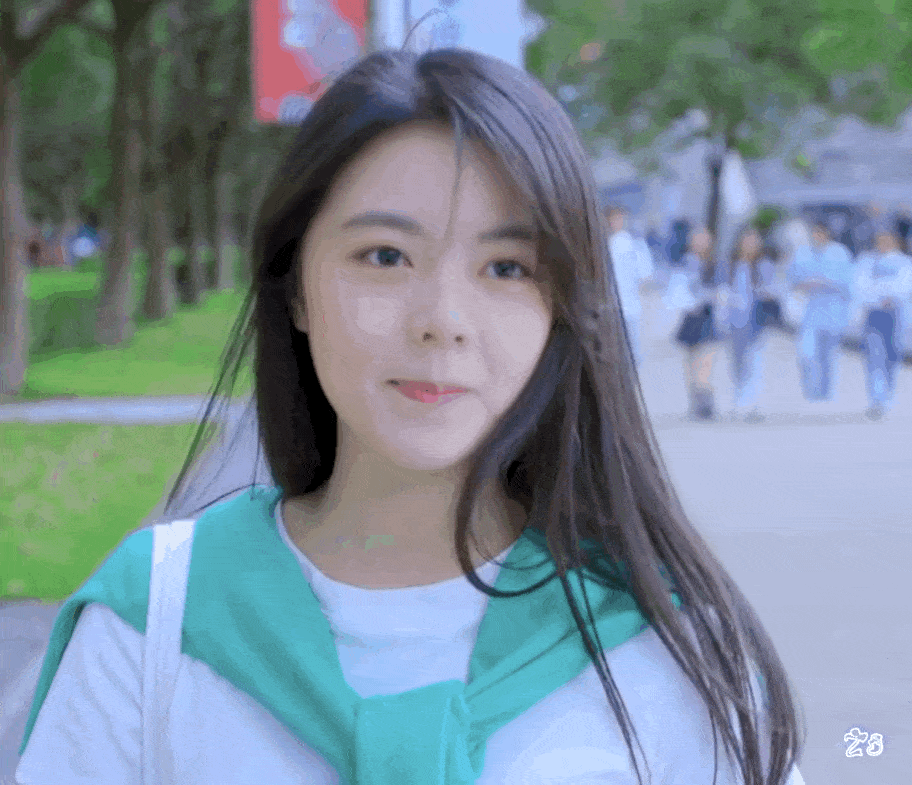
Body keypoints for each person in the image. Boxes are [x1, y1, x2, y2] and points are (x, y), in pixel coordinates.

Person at [16, 47, 806, 785]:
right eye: (385, 256)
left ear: (561, 306)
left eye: (506, 267)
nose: (442, 321)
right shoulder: (154, 620)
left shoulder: (665, 644)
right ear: (295, 288)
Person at [787, 219, 855, 402]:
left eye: (820, 233)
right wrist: (805, 283)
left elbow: (849, 282)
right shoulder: (803, 253)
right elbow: (792, 278)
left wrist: (826, 282)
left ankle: (825, 392)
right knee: (806, 353)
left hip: (833, 311)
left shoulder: (840, 253)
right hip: (810, 311)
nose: (817, 236)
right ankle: (810, 389)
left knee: (827, 355)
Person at [855, 227, 912, 420]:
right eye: (880, 240)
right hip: (873, 314)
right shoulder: (866, 260)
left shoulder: (904, 262)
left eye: (887, 240)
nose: (883, 244)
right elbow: (860, 285)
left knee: (892, 355)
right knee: (874, 356)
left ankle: (888, 392)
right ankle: (877, 399)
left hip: (895, 314)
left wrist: (888, 295)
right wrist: (877, 297)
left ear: (895, 242)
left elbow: (905, 286)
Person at [673, 227, 730, 421]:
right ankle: (695, 401)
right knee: (690, 361)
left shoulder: (715, 264)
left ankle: (705, 402)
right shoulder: (684, 262)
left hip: (708, 315)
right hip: (689, 317)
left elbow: (722, 290)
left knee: (705, 360)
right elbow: (676, 288)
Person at [726, 224, 778, 422]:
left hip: (757, 320)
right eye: (747, 240)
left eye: (754, 240)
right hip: (734, 321)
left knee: (755, 361)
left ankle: (751, 402)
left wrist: (766, 292)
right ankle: (740, 397)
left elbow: (774, 288)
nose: (751, 244)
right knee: (738, 362)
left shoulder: (764, 265)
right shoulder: (731, 265)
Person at [606, 204, 653, 369]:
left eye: (619, 218)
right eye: (612, 218)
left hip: (629, 306)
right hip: (608, 307)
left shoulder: (635, 244)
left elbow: (645, 275)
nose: (615, 222)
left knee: (631, 353)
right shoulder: (604, 244)